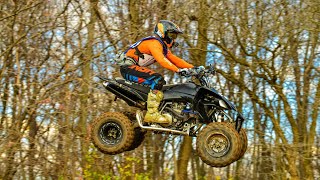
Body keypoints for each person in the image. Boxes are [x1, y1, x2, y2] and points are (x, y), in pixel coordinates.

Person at [115, 20, 194, 124]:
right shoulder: (154, 43)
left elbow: (175, 60)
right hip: (128, 68)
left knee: (161, 84)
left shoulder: (162, 46)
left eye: (175, 36)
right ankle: (152, 114)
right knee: (157, 80)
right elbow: (162, 60)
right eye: (171, 35)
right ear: (163, 33)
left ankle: (158, 110)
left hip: (133, 68)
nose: (172, 39)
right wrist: (178, 70)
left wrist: (193, 68)